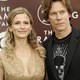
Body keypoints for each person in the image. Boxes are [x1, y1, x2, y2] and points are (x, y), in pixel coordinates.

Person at [0, 7, 46, 80]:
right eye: (17, 23)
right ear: (10, 28)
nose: (22, 27)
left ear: (30, 27)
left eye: (26, 23)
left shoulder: (41, 53)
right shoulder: (2, 56)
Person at [41, 0, 80, 80]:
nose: (58, 18)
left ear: (69, 14)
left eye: (62, 12)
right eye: (53, 14)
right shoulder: (45, 46)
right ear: (48, 18)